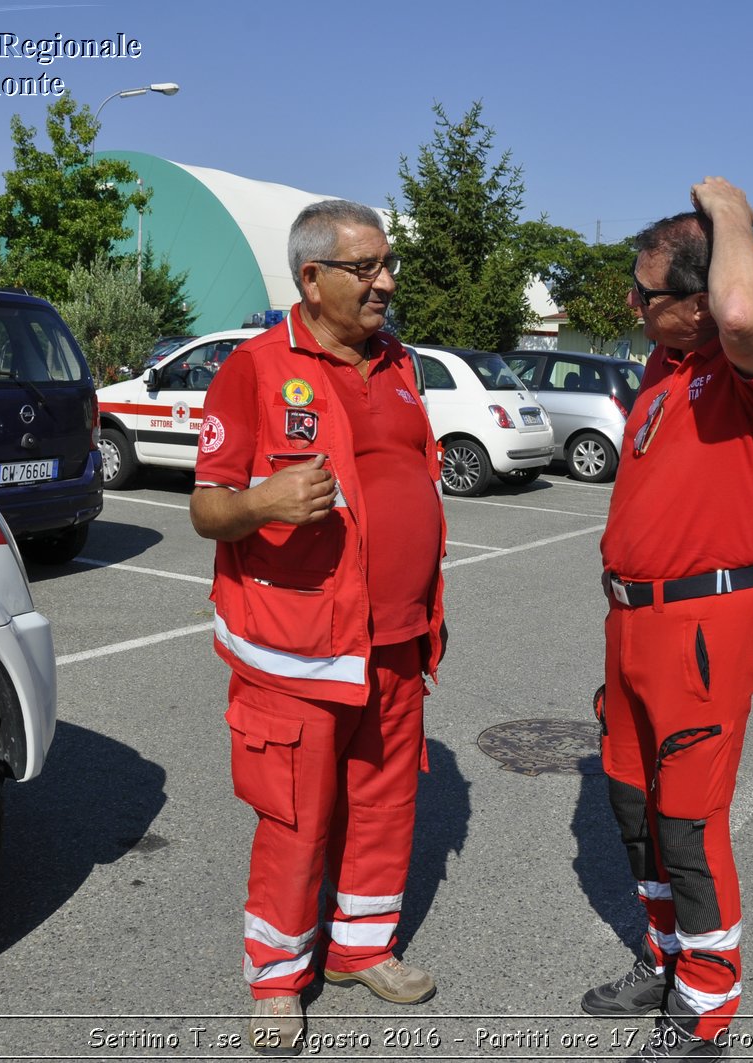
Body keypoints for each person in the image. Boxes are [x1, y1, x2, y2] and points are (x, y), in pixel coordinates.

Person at [189, 199, 446, 1056]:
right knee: (297, 820)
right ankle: (276, 977)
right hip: (296, 648)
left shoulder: (401, 363)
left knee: (385, 801)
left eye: (387, 263)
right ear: (312, 277)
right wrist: (262, 501)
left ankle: (362, 947)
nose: (385, 281)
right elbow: (206, 506)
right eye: (365, 267)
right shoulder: (256, 370)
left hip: (398, 639)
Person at [583, 177, 753, 1060]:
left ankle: (708, 1008)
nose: (631, 303)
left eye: (647, 293)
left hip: (706, 624)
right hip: (632, 622)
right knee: (635, 807)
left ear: (700, 300)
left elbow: (751, 314)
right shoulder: (666, 363)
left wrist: (733, 217)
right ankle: (668, 959)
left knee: (688, 820)